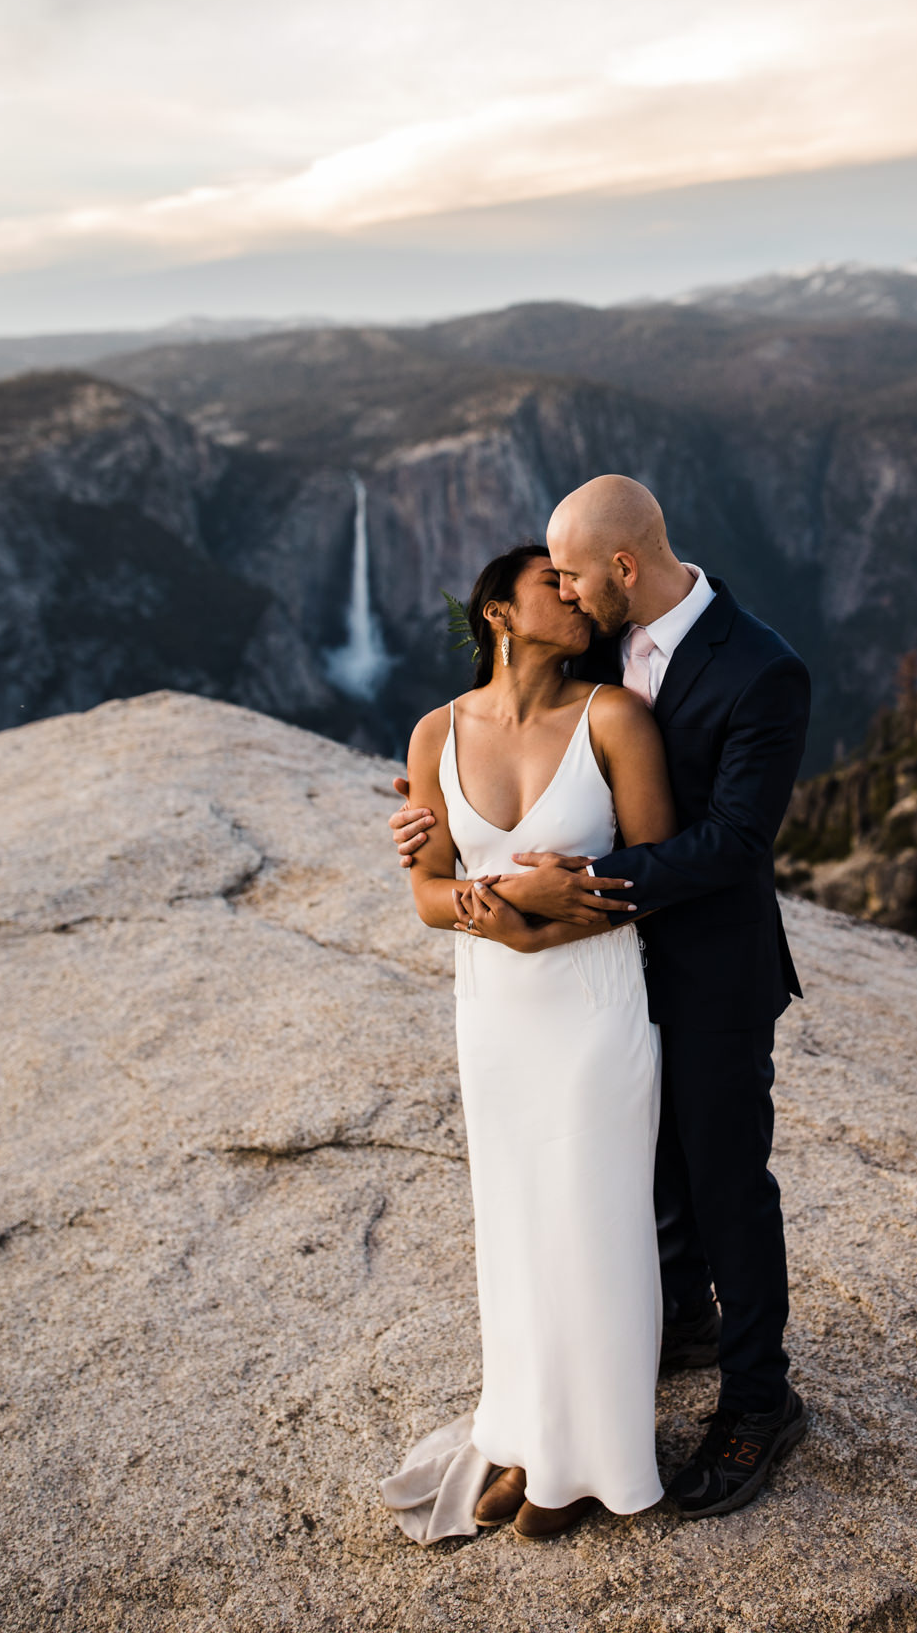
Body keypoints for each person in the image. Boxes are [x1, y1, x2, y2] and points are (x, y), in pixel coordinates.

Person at [390, 476, 812, 1520]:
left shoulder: (762, 668)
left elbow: (734, 843)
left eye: (574, 571)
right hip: (580, 981)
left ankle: (760, 1401)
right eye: (554, 579)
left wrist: (561, 891)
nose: (568, 592)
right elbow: (508, 753)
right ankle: (659, 1335)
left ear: (621, 567)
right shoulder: (595, 643)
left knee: (723, 1182)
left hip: (706, 968)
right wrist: (439, 828)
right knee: (633, 1186)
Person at [378, 543, 678, 1545]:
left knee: (592, 1223)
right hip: (494, 1017)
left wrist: (536, 913)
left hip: (593, 1008)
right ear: (497, 612)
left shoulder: (615, 718)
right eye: (553, 583)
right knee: (512, 1225)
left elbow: (652, 872)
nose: (578, 594)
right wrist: (506, 903)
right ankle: (521, 1432)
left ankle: (593, 1458)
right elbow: (425, 898)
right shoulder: (434, 733)